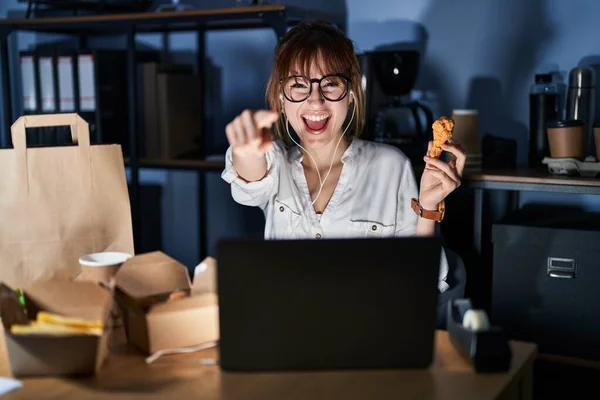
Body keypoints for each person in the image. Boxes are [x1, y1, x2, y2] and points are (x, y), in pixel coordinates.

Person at [221, 21, 466, 293]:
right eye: (299, 85)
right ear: (281, 97)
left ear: (350, 95)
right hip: (287, 329)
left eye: (331, 84)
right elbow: (249, 182)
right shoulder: (274, 163)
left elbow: (420, 283)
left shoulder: (390, 165)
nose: (315, 100)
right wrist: (246, 150)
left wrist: (429, 207)